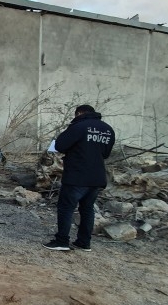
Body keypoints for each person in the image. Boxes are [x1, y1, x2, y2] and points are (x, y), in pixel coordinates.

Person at [43, 105, 115, 252]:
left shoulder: (79, 126)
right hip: (97, 177)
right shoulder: (108, 129)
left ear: (80, 113)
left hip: (77, 176)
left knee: (66, 208)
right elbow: (106, 154)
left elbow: (60, 145)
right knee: (87, 209)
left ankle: (62, 241)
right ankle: (84, 242)